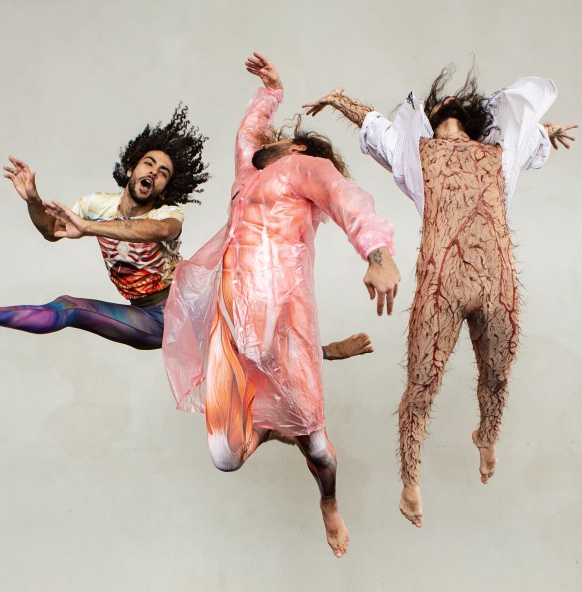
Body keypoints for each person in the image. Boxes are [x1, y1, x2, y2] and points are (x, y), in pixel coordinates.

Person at [304, 66, 577, 527]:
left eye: (455, 100)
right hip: (441, 284)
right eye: (441, 101)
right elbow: (373, 122)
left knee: (497, 376)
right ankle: (410, 482)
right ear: (429, 116)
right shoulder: (415, 151)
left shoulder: (498, 151)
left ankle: (486, 436)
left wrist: (548, 130)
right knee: (421, 387)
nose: (449, 100)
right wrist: (337, 101)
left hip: (496, 282)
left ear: (473, 116)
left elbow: (529, 134)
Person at [162, 53, 402, 557]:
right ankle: (271, 426)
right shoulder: (247, 175)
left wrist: (377, 255)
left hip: (284, 322)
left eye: (277, 137)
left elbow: (345, 199)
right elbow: (247, 133)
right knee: (225, 457)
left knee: (317, 449)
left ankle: (329, 502)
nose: (266, 139)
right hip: (232, 325)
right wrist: (271, 91)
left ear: (295, 147)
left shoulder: (303, 167)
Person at [0, 107, 372, 357]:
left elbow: (156, 231)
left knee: (254, 332)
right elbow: (51, 231)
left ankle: (325, 352)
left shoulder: (169, 212)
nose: (153, 172)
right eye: (148, 164)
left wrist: (90, 228)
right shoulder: (96, 203)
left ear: (166, 187)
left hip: (191, 308)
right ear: (132, 168)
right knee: (69, 307)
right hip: (151, 321)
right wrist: (33, 200)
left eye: (163, 172)